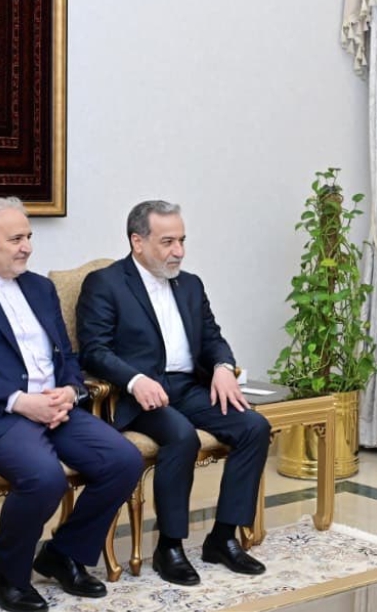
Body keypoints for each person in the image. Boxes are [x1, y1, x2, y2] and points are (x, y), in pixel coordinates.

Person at [0, 197, 145, 612]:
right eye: (16, 239)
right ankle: (8, 574)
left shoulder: (40, 288)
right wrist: (20, 401)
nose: (27, 247)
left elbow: (67, 357)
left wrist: (70, 391)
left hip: (57, 409)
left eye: (28, 237)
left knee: (124, 461)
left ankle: (63, 554)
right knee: (44, 479)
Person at [75, 200, 271, 586]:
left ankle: (222, 538)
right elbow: (94, 350)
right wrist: (134, 380)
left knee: (254, 427)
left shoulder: (190, 284)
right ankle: (170, 546)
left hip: (187, 387)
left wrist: (222, 367)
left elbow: (212, 338)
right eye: (167, 242)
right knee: (181, 436)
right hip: (137, 395)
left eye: (181, 240)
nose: (178, 251)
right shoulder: (105, 283)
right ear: (138, 242)